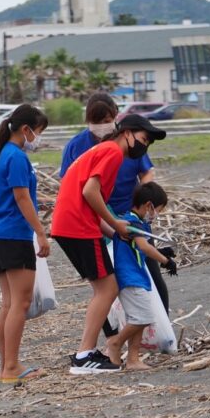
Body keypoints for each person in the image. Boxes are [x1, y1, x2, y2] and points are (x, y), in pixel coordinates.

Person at [50, 114, 166, 374]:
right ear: (127, 133)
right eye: (144, 139)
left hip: (71, 223)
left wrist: (116, 232)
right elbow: (89, 193)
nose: (144, 146)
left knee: (103, 287)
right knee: (107, 287)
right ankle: (84, 355)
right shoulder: (113, 152)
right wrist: (115, 224)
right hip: (77, 226)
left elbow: (90, 198)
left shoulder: (103, 149)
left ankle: (87, 352)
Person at [61, 94, 169, 314]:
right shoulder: (82, 146)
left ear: (116, 117)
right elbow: (76, 188)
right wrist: (109, 221)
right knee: (112, 281)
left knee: (148, 271)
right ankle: (120, 334)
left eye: (106, 120)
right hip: (99, 219)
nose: (102, 126)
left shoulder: (128, 142)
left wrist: (142, 204)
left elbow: (147, 172)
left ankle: (158, 324)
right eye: (96, 121)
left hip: (128, 215)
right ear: (87, 120)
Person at [0, 104, 50, 383]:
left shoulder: (5, 155)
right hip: (14, 236)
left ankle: (6, 366)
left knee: (9, 303)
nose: (39, 138)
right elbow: (22, 198)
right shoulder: (17, 157)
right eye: (38, 132)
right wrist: (41, 232)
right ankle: (11, 366)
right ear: (26, 130)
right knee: (19, 303)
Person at [107, 182, 178, 371]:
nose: (156, 215)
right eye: (158, 210)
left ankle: (133, 359)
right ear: (149, 206)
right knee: (143, 317)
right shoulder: (132, 223)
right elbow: (145, 247)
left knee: (138, 318)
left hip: (137, 275)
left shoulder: (135, 223)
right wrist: (165, 261)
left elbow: (140, 248)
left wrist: (162, 251)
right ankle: (115, 342)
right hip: (130, 276)